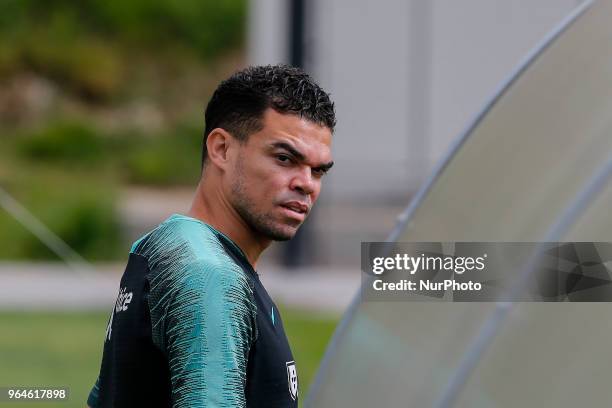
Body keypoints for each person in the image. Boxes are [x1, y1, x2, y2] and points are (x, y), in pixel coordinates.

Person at [87, 64, 336, 407]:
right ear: (221, 149)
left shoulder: (162, 246)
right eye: (284, 158)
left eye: (318, 170)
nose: (306, 183)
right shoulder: (208, 272)